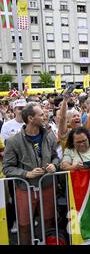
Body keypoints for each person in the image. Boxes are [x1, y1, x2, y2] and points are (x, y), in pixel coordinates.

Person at [3, 102, 60, 244]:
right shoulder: (13, 141)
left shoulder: (50, 135)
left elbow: (56, 157)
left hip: (47, 185)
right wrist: (26, 174)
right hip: (25, 189)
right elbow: (7, 168)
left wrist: (54, 165)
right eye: (41, 115)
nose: (45, 116)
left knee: (48, 222)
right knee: (24, 225)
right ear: (30, 118)